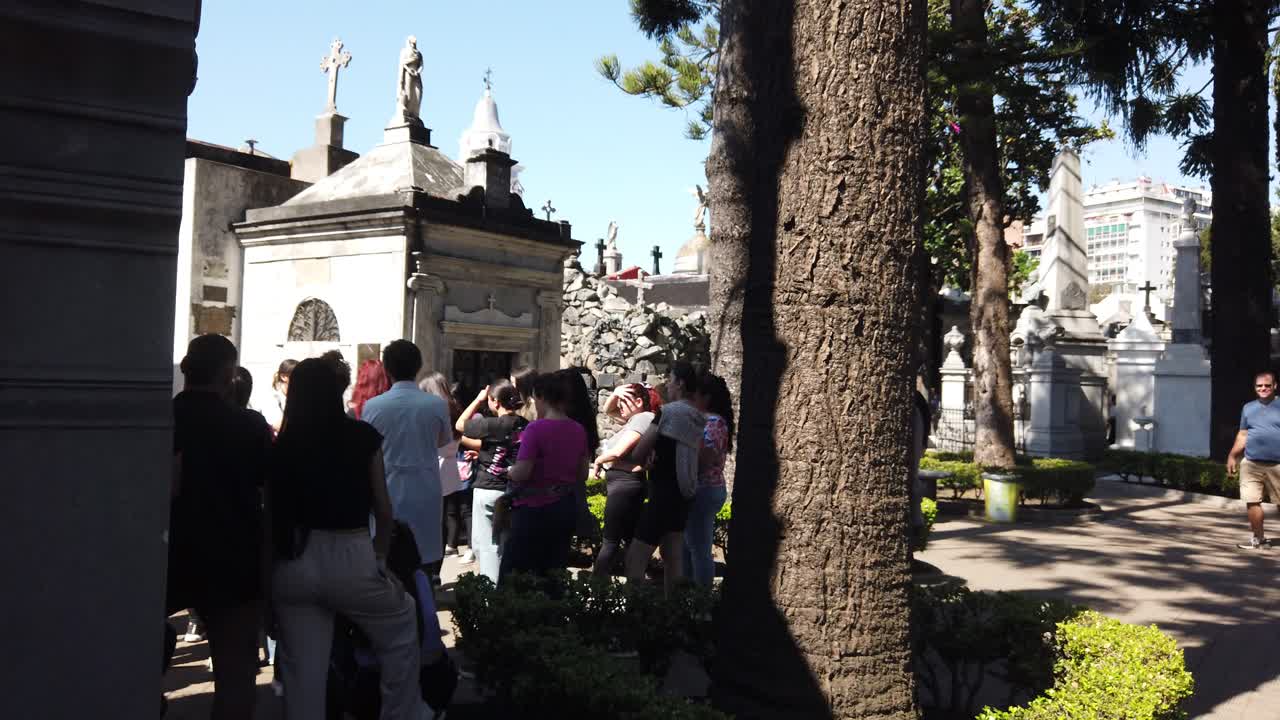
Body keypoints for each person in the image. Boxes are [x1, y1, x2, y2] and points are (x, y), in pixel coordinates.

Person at [267, 358, 421, 720]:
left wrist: (267, 590)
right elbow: (383, 510)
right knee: (401, 628)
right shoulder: (362, 437)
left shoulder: (282, 446)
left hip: (294, 559)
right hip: (351, 552)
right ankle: (402, 714)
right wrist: (380, 559)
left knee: (301, 674)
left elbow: (270, 523)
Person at [168, 334, 272, 720]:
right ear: (229, 375)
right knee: (235, 678)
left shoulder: (161, 419)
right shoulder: (248, 426)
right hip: (233, 558)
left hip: (166, 554)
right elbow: (270, 496)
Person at [361, 341, 453, 577]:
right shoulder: (436, 405)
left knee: (388, 562)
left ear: (387, 370)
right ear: (419, 366)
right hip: (425, 489)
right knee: (422, 562)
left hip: (387, 489)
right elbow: (445, 444)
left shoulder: (372, 406)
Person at [500, 371, 590, 582]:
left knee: (516, 572)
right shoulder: (578, 429)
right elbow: (583, 473)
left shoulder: (535, 429)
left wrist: (509, 471)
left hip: (533, 509)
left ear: (541, 397)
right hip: (564, 508)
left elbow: (522, 473)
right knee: (553, 571)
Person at [625, 362, 705, 595]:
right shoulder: (697, 416)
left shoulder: (669, 412)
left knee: (635, 558)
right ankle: (673, 614)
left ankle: (634, 612)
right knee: (673, 557)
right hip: (683, 494)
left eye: (670, 380)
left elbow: (638, 454)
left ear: (680, 383)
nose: (667, 386)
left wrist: (648, 455)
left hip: (662, 493)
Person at [457, 380, 528, 581]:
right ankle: (507, 587)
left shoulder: (491, 424)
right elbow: (500, 448)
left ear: (495, 401)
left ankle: (492, 594)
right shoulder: (525, 424)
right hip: (513, 489)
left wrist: (478, 400)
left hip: (488, 489)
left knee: (487, 546)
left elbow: (460, 425)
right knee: (506, 543)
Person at [591, 383, 662, 576]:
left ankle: (595, 591)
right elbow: (608, 410)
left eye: (625, 401)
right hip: (626, 485)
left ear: (639, 402)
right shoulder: (635, 419)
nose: (619, 406)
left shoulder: (642, 418)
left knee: (610, 543)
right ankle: (634, 590)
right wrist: (616, 393)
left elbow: (618, 451)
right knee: (628, 542)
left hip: (625, 487)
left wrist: (598, 460)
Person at [683, 373, 734, 586]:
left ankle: (700, 599)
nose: (692, 398)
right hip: (704, 489)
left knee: (699, 549)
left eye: (695, 394)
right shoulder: (711, 421)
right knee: (690, 546)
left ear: (706, 397)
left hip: (704, 490)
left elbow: (704, 460)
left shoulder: (713, 423)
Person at [419, 373, 471, 563]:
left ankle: (429, 564)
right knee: (443, 519)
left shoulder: (431, 412)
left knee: (431, 520)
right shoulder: (454, 408)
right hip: (450, 468)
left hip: (433, 467)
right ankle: (436, 568)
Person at [1227, 370, 1280, 550]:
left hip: (1278, 464)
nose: (1263, 388)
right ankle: (1259, 538)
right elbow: (1243, 434)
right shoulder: (1248, 408)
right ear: (1255, 387)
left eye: (1267, 385)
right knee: (1252, 501)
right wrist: (1232, 455)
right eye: (1259, 386)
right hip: (1251, 462)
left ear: (1275, 386)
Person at [263, 359, 298, 433]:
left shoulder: (297, 397)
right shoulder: (272, 397)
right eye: (297, 376)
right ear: (283, 377)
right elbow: (278, 426)